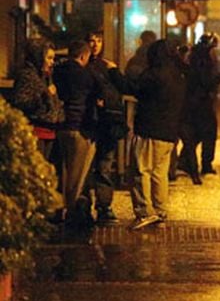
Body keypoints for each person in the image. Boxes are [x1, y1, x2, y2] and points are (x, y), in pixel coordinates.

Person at [129, 39, 187, 229]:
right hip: (169, 133)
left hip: (149, 130)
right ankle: (160, 210)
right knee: (159, 173)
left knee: (141, 170)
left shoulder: (154, 74)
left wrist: (113, 72)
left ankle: (144, 212)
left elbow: (133, 88)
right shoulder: (178, 75)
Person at [52, 40, 100, 229]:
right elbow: (96, 97)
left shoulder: (58, 71)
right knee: (77, 175)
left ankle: (60, 208)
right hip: (80, 127)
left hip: (61, 126)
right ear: (83, 56)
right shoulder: (87, 75)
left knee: (63, 170)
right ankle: (72, 212)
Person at [83, 30, 128, 224]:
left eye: (98, 41)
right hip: (88, 122)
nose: (95, 45)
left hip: (105, 124)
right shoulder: (82, 66)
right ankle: (84, 206)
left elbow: (118, 92)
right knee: (86, 167)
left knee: (103, 167)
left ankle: (103, 205)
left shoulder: (106, 67)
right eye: (91, 41)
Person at [181, 33, 220, 182]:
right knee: (207, 134)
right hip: (201, 101)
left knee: (195, 134)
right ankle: (203, 164)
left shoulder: (194, 55)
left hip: (193, 101)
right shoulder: (202, 58)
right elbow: (206, 81)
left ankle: (185, 161)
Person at [11, 38, 64, 162]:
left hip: (49, 131)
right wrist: (44, 95)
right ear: (39, 57)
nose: (52, 62)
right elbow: (20, 102)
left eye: (53, 58)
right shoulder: (27, 76)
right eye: (49, 58)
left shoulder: (45, 76)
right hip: (36, 132)